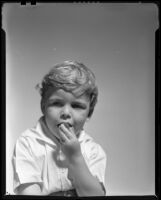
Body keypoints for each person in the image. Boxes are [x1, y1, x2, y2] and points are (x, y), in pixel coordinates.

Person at [12, 61, 107, 196]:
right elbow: (27, 192)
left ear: (89, 113)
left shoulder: (93, 150)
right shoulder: (28, 143)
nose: (66, 113)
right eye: (57, 103)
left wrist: (76, 157)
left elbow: (95, 195)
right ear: (43, 106)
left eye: (77, 106)